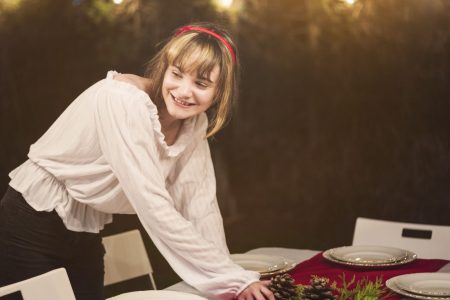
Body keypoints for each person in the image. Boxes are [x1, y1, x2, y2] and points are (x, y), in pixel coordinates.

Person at [0, 23, 274, 300]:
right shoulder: (123, 101)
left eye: (201, 84)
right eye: (176, 74)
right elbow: (151, 202)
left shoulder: (194, 124)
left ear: (219, 92)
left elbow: (199, 205)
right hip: (32, 216)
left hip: (87, 223)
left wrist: (228, 278)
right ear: (164, 68)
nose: (184, 91)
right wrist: (230, 278)